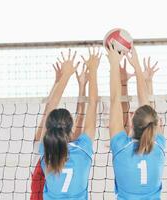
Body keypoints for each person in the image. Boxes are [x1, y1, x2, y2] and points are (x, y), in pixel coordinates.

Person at [34, 48, 100, 200]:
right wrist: (93, 71)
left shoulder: (45, 151)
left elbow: (50, 107)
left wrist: (66, 75)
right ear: (71, 129)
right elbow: (93, 105)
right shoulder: (82, 149)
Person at [107, 44, 165, 200]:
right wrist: (137, 66)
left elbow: (115, 101)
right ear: (156, 124)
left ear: (132, 122)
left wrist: (114, 64)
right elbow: (141, 101)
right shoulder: (158, 145)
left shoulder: (121, 146)